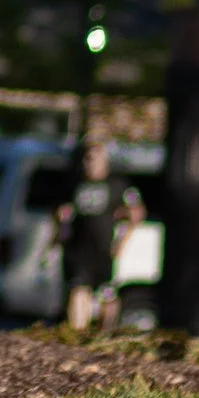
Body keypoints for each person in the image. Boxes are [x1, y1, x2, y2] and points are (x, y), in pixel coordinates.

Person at [63, 142, 121, 333]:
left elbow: (135, 213)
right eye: (87, 159)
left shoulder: (116, 184)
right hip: (80, 248)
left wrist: (121, 242)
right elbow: (62, 211)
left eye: (94, 159)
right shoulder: (75, 184)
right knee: (79, 290)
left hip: (104, 248)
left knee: (107, 294)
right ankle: (77, 334)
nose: (90, 163)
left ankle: (105, 333)